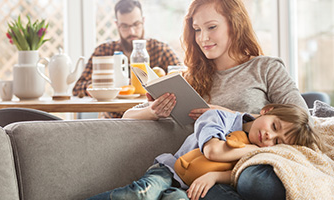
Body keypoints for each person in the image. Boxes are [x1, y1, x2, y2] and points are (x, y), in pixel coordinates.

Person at [122, 0, 310, 199]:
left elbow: (305, 119)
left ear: (235, 24)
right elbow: (127, 116)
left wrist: (230, 114)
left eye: (212, 27)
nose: (203, 38)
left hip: (249, 166)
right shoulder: (190, 79)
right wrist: (153, 111)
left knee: (258, 182)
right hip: (199, 170)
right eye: (197, 29)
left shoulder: (266, 68)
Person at [86, 103, 324, 200]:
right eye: (274, 127)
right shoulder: (218, 117)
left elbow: (236, 174)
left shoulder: (265, 153)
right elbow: (212, 151)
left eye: (277, 141)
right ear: (267, 110)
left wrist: (213, 176)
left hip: (194, 187)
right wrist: (249, 150)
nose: (269, 137)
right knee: (141, 193)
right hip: (171, 171)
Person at [72, 0, 181, 118]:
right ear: (116, 24)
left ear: (143, 21)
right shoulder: (104, 51)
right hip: (113, 121)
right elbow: (78, 88)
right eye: (125, 26)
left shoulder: (160, 50)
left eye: (136, 24)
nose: (132, 31)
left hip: (152, 121)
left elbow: (183, 79)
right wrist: (109, 87)